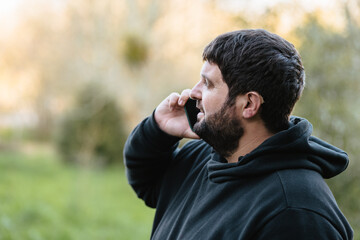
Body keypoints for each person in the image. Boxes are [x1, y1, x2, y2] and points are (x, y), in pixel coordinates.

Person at [124, 29, 353, 239]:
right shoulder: (207, 153)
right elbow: (149, 185)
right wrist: (157, 129)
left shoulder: (296, 212)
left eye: (208, 83)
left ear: (249, 104)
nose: (194, 92)